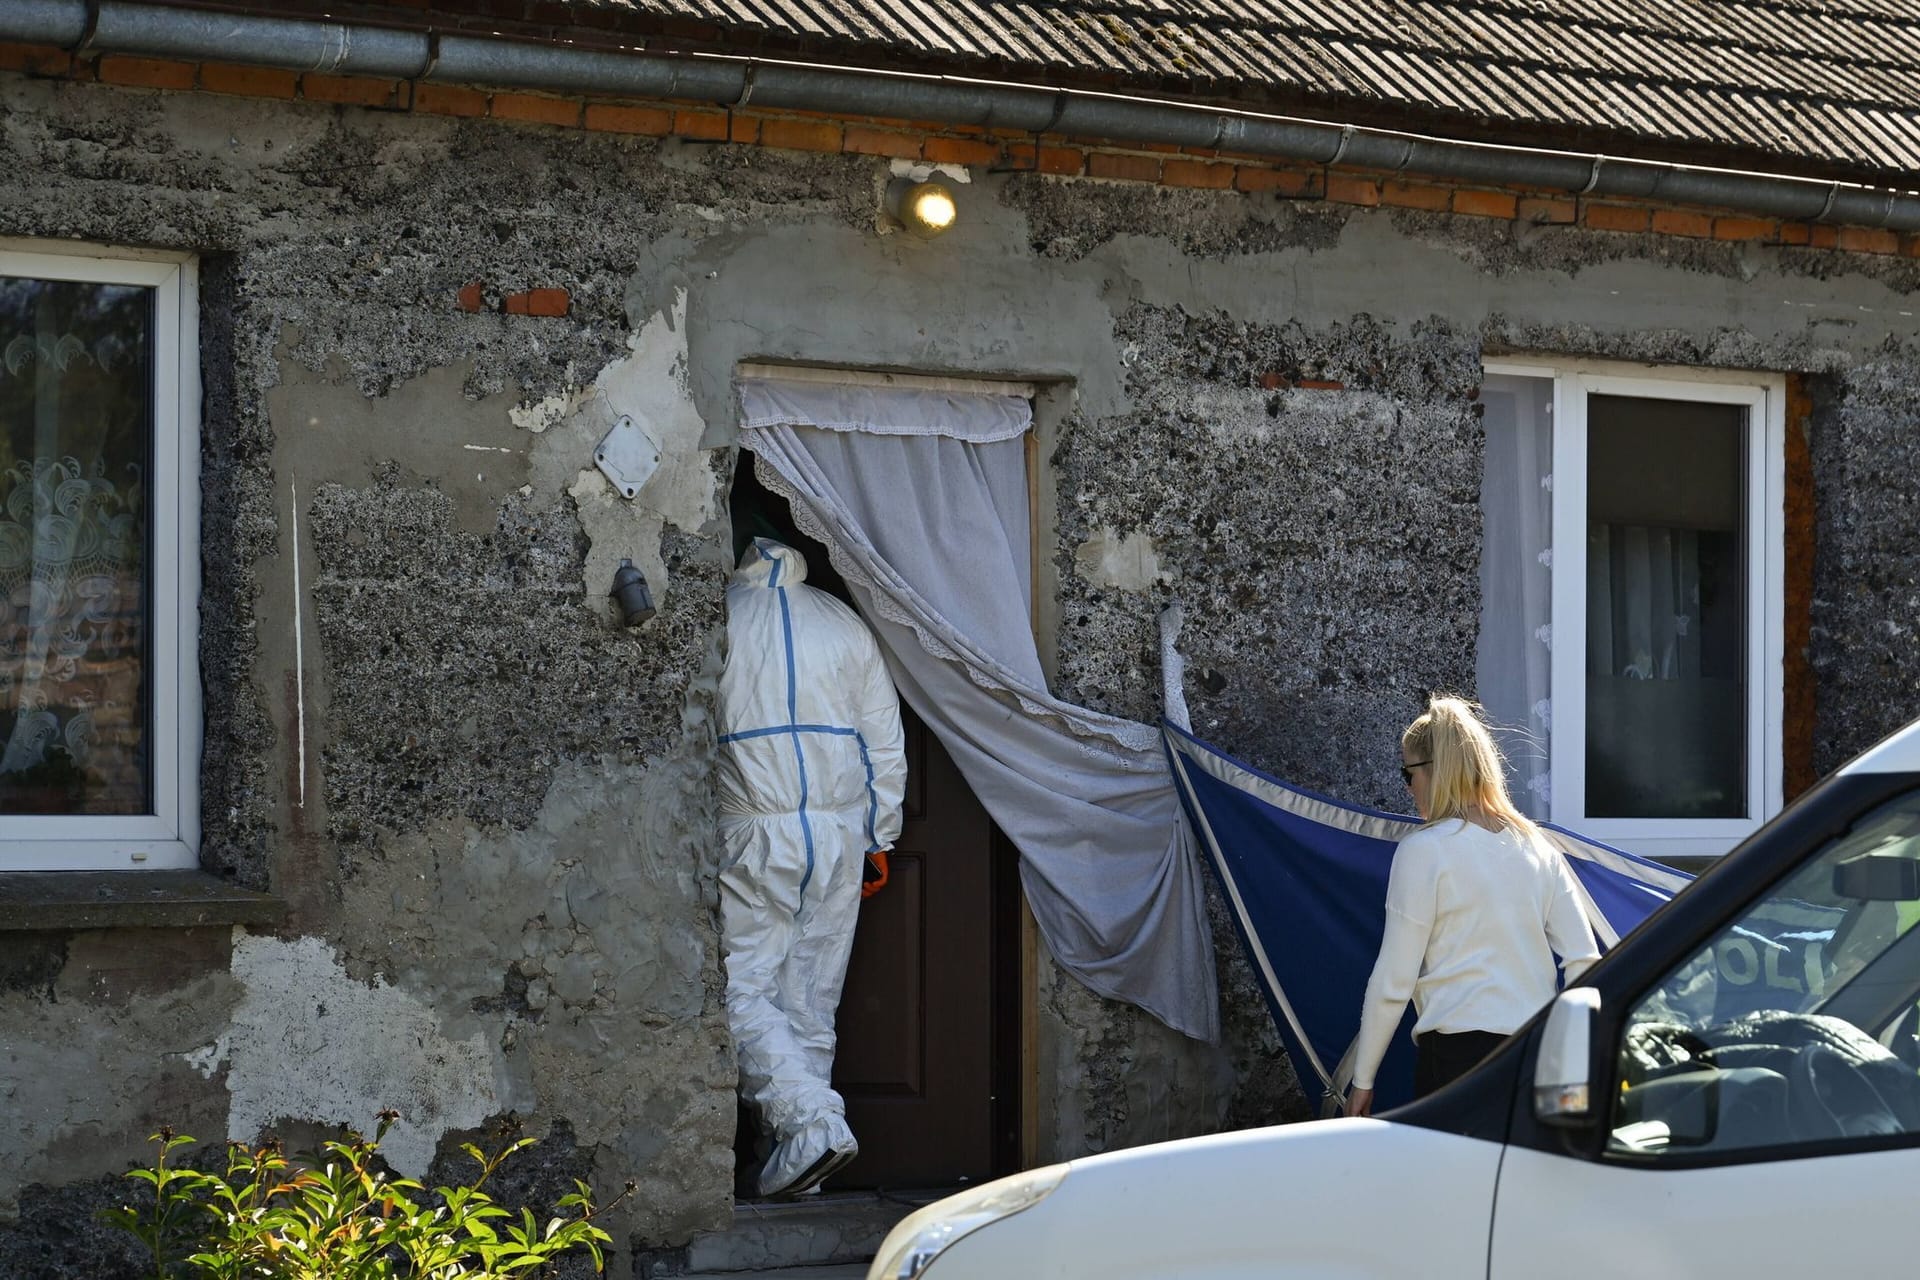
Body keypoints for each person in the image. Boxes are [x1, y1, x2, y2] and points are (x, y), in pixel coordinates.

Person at [717, 537, 907, 1198]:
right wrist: (880, 835)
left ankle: (810, 1125)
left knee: (739, 986)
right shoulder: (840, 619)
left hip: (753, 829)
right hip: (837, 832)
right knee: (810, 999)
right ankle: (799, 1168)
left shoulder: (721, 618)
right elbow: (884, 735)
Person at [1344, 696, 1599, 1117]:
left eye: (1407, 774)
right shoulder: (1538, 848)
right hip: (1536, 1057)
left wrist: (1362, 1082)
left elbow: (1393, 982)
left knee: (1454, 1183)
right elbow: (1585, 962)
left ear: (1433, 771)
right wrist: (1570, 1060)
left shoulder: (1424, 851)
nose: (1407, 787)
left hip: (1456, 1063)